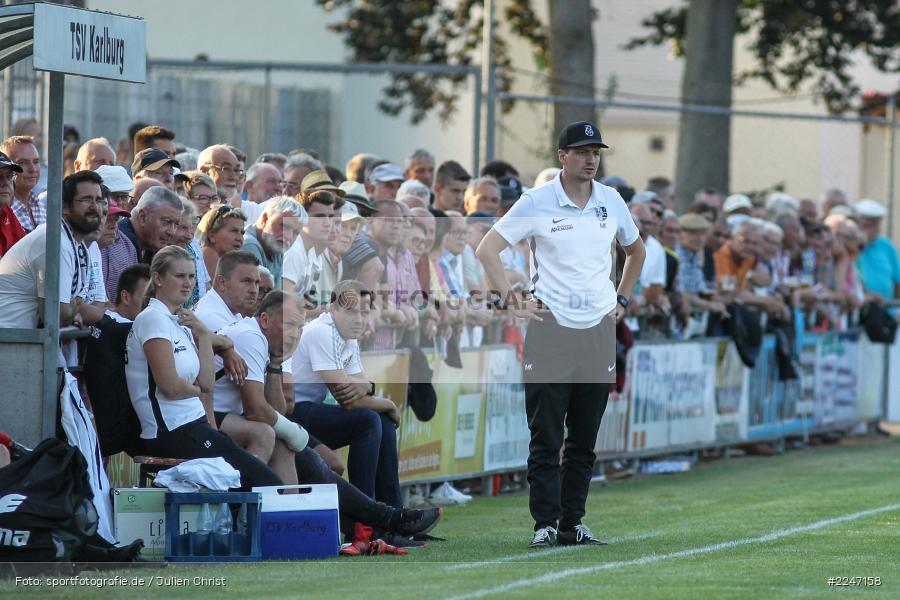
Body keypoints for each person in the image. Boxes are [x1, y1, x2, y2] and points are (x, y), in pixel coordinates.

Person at [476, 120, 645, 548]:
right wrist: (514, 300)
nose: (591, 159)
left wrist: (621, 301)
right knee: (547, 435)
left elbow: (635, 250)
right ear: (562, 156)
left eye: (596, 152)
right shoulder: (537, 200)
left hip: (597, 331)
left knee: (585, 438)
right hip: (550, 329)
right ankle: (545, 525)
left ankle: (574, 523)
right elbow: (487, 249)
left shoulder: (610, 200)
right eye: (583, 151)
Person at [125, 245, 281, 491]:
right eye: (179, 276)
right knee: (265, 484)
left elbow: (207, 383)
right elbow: (171, 387)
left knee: (265, 483)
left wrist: (204, 335)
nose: (187, 283)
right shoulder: (152, 319)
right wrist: (196, 388)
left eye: (191, 276)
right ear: (157, 278)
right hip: (171, 431)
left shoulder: (181, 321)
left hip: (194, 425)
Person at [291, 280, 403, 508]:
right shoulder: (322, 331)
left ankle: (393, 516)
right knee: (369, 419)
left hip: (308, 410)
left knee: (382, 422)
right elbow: (349, 400)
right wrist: (389, 404)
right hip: (291, 412)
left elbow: (361, 390)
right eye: (351, 311)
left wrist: (367, 387)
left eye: (364, 312)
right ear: (333, 309)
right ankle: (365, 517)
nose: (359, 319)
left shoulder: (348, 336)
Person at [0, 171, 103, 328]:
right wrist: (76, 305)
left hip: (24, 341)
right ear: (65, 207)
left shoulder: (73, 242)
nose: (95, 207)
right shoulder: (55, 242)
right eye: (87, 199)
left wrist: (73, 306)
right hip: (9, 341)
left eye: (98, 200)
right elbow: (55, 316)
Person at [242, 196, 306, 288]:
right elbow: (258, 298)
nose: (288, 236)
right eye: (284, 226)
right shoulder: (249, 245)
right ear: (265, 219)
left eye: (295, 232)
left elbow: (275, 296)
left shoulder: (275, 247)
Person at [118, 185, 183, 265]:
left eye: (176, 224)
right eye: (166, 222)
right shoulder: (118, 246)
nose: (171, 232)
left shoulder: (150, 246)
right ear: (143, 217)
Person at [854, 198, 900, 302]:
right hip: (859, 308)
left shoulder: (886, 246)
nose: (873, 229)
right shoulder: (851, 245)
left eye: (875, 225)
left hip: (885, 310)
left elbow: (898, 280)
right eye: (867, 225)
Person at [1, 136, 44, 232]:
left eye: (36, 162)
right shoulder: (3, 210)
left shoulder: (43, 207)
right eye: (22, 162)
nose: (33, 169)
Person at [197, 204, 248, 282]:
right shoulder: (208, 253)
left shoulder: (226, 260)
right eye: (234, 231)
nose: (240, 238)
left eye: (242, 233)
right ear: (212, 236)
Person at [0, 151, 26, 257]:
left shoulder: (7, 213)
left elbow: (25, 256)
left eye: (9, 176)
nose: (6, 182)